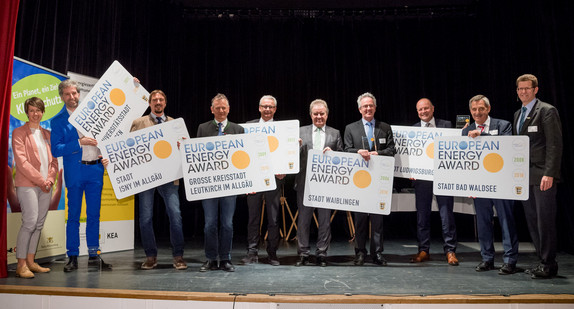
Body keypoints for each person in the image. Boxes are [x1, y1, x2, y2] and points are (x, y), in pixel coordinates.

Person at [51, 79, 111, 272]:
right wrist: (79, 142)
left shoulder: (93, 115)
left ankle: (94, 255)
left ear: (79, 94)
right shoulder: (58, 120)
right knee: (74, 217)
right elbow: (56, 149)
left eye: (75, 93)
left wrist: (106, 156)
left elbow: (107, 138)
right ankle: (73, 257)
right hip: (75, 173)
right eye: (68, 94)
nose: (72, 97)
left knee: (94, 215)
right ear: (62, 97)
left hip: (95, 171)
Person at [130, 90, 186, 270]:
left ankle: (178, 256)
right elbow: (128, 150)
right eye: (154, 100)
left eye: (161, 99)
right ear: (150, 103)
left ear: (165, 103)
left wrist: (181, 146)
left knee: (175, 215)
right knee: (145, 218)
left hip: (170, 177)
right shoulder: (138, 123)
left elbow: (186, 150)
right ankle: (150, 256)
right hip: (145, 178)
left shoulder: (175, 124)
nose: (158, 102)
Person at [463, 95, 519, 274]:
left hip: (502, 184)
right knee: (483, 223)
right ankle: (487, 259)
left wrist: (482, 136)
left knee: (506, 221)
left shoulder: (503, 126)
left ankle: (510, 260)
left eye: (481, 109)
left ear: (488, 109)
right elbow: (464, 161)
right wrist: (468, 185)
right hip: (480, 185)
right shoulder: (466, 131)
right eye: (474, 110)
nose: (477, 113)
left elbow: (506, 148)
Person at [513, 74, 563, 279]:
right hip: (525, 177)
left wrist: (549, 173)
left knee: (545, 221)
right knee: (533, 221)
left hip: (543, 175)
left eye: (527, 88)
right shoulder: (518, 113)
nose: (523, 91)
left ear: (535, 90)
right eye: (520, 89)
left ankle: (550, 263)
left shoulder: (547, 111)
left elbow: (554, 144)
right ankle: (542, 261)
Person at [343, 92, 396, 266]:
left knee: (378, 220)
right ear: (359, 109)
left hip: (379, 181)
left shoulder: (385, 127)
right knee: (360, 220)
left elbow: (391, 150)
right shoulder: (351, 128)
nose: (368, 108)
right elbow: (346, 150)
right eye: (365, 106)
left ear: (375, 107)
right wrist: (358, 152)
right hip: (359, 182)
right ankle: (359, 253)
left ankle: (377, 253)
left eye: (370, 105)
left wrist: (377, 153)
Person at [196, 93, 244, 272]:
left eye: (224, 108)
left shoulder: (238, 129)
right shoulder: (202, 128)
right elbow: (196, 157)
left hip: (229, 185)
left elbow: (242, 158)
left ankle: (225, 258)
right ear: (212, 110)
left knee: (227, 223)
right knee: (209, 223)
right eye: (218, 108)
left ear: (229, 109)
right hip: (208, 185)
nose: (221, 111)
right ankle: (210, 258)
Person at [12, 97, 59, 278]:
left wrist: (50, 179)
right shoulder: (19, 132)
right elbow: (21, 162)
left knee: (38, 224)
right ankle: (21, 264)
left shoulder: (47, 134)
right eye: (31, 110)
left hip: (46, 185)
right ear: (26, 112)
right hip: (28, 185)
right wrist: (41, 180)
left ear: (43, 112)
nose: (35, 114)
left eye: (38, 110)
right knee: (30, 222)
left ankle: (31, 262)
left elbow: (54, 161)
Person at [294, 99, 343, 267]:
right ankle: (303, 253)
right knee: (303, 220)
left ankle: (322, 253)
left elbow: (343, 159)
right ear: (310, 115)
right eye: (316, 113)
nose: (319, 116)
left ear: (327, 115)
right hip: (304, 182)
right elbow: (290, 157)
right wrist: (295, 147)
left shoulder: (335, 133)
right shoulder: (299, 132)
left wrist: (334, 154)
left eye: (322, 113)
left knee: (324, 220)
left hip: (326, 185)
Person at [410, 98, 459, 266]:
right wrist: (410, 170)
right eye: (420, 110)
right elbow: (410, 154)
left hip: (443, 177)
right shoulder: (414, 129)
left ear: (432, 109)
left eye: (426, 108)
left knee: (446, 215)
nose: (423, 112)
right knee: (422, 215)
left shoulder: (446, 125)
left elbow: (454, 148)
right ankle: (423, 250)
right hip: (422, 179)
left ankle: (450, 250)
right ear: (417, 112)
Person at [242, 95, 284, 266]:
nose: (267, 109)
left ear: (275, 109)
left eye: (271, 107)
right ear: (259, 108)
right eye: (264, 106)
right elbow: (242, 152)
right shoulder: (248, 127)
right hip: (254, 178)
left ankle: (272, 253)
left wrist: (285, 169)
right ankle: (252, 252)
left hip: (274, 178)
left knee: (273, 218)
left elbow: (286, 152)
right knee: (253, 217)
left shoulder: (282, 129)